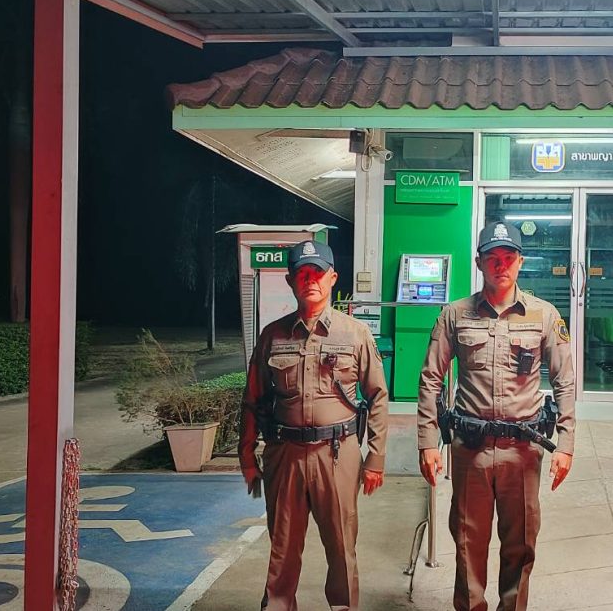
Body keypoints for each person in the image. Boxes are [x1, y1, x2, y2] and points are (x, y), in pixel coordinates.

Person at [416, 221, 577, 611]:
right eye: (493, 258)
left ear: (520, 262)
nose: (500, 265)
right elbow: (430, 378)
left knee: (520, 545)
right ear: (479, 263)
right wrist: (427, 441)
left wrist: (566, 444)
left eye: (508, 257)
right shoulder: (455, 314)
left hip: (522, 453)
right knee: (467, 542)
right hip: (469, 451)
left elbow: (565, 381)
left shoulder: (544, 315)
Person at [239, 239, 389, 611]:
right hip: (285, 456)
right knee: (283, 547)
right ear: (290, 280)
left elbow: (377, 396)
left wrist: (375, 458)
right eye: (302, 274)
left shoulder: (355, 334)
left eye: (317, 273)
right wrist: (246, 455)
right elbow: (253, 399)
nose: (310, 281)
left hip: (337, 456)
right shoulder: (273, 335)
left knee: (341, 546)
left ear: (332, 278)